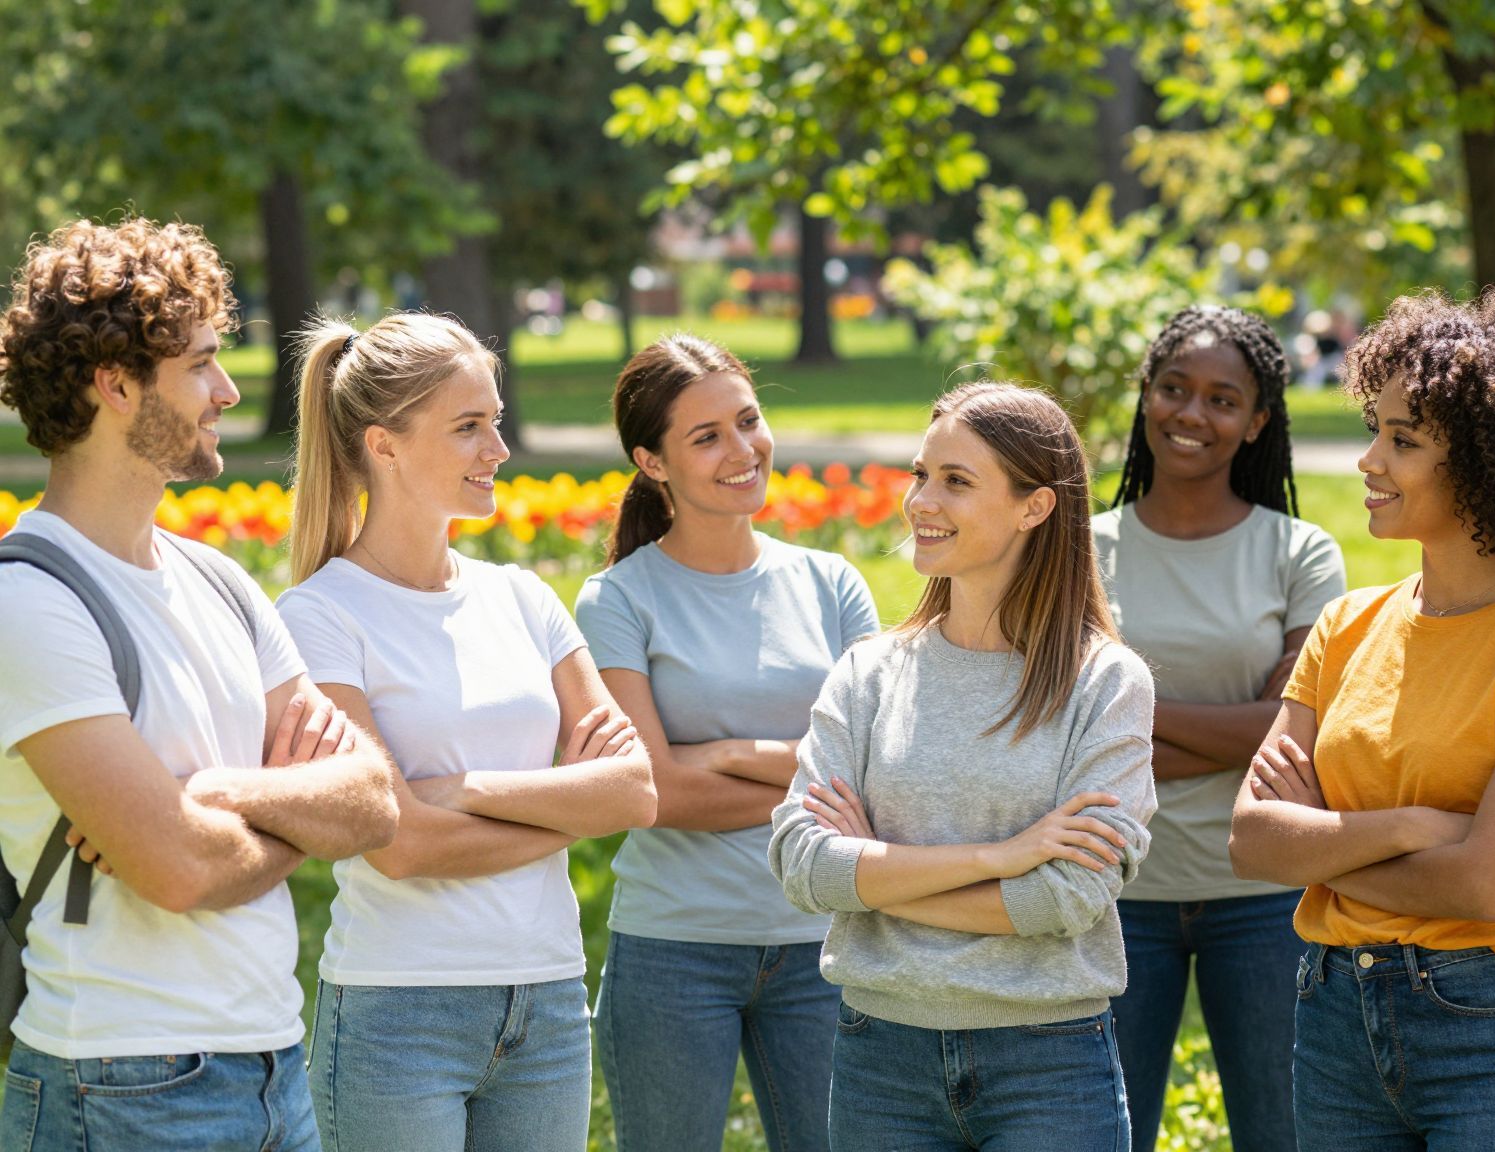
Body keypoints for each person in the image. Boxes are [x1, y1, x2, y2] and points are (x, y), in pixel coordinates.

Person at [0, 219, 399, 1151]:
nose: (227, 392)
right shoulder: (29, 603)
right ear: (115, 385)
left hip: (274, 1066)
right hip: (118, 1082)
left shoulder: (220, 580)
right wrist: (293, 814)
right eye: (202, 366)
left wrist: (222, 797)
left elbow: (374, 799)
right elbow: (177, 871)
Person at [1231, 289, 1495, 1152]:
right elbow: (1253, 842)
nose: (1370, 458)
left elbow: (1486, 886)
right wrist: (1419, 828)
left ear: (1489, 465)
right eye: (1376, 427)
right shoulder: (1347, 625)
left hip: (1491, 1028)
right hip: (1334, 1015)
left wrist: (1328, 850)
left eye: (1403, 440)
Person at [275, 312, 656, 1151]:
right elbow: (399, 845)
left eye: (496, 420)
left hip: (549, 1002)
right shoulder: (318, 619)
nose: (499, 448)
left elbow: (634, 789)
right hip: (397, 1013)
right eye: (469, 427)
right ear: (386, 445)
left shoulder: (523, 597)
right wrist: (565, 810)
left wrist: (468, 794)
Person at [768, 381, 1158, 1151]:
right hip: (882, 1056)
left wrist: (876, 883)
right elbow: (803, 864)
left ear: (1034, 507)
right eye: (921, 474)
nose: (921, 501)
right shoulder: (869, 673)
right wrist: (999, 858)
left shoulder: (1106, 682)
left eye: (955, 481)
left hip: (1047, 1066)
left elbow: (1069, 895)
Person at [575, 335, 878, 1151]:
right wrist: (807, 782)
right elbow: (656, 794)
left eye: (748, 420)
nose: (743, 450)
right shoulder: (615, 601)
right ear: (653, 461)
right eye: (707, 437)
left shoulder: (833, 584)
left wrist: (727, 754)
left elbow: (876, 775)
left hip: (824, 944)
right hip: (673, 952)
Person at [1096, 304, 1344, 1151]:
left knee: (1284, 1135)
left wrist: (1124, 723)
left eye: (1221, 399)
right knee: (1101, 1134)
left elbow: (1289, 734)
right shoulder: (1080, 551)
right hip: (1111, 890)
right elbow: (1057, 734)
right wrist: (1241, 732)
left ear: (1257, 420)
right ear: (1145, 395)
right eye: (1173, 389)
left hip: (1265, 892)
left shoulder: (1300, 553)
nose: (1192, 415)